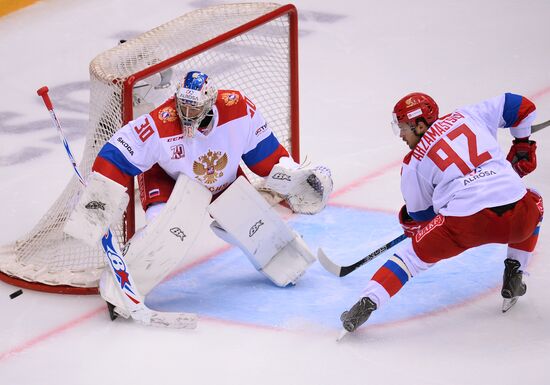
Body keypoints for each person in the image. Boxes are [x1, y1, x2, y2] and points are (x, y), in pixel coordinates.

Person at [64, 70, 332, 318]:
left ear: (211, 103)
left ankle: (284, 262)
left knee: (254, 224)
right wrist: (100, 192)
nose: (187, 112)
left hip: (223, 177)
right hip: (170, 179)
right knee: (164, 232)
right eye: (183, 105)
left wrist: (293, 176)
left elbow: (264, 155)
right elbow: (117, 154)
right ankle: (120, 289)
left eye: (195, 106)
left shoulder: (238, 109)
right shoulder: (160, 123)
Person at [340, 92, 543, 333]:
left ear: (420, 124)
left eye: (404, 128)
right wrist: (522, 144)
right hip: (519, 215)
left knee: (410, 258)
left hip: (465, 223)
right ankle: (515, 272)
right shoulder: (469, 115)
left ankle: (366, 303)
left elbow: (422, 217)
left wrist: (413, 226)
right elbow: (521, 106)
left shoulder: (413, 164)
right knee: (535, 201)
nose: (401, 136)